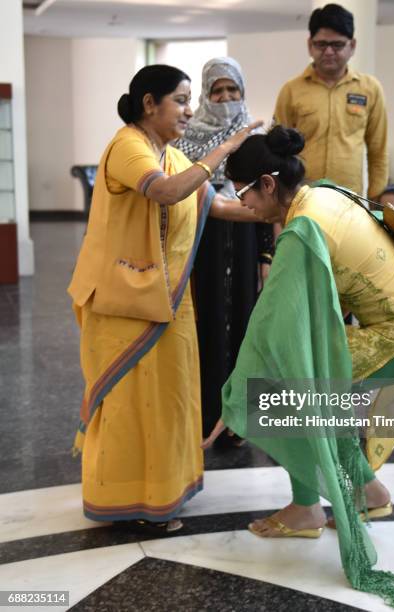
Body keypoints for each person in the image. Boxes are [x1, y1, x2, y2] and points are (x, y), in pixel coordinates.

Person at [202, 126, 394, 610]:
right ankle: (365, 492)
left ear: (268, 184)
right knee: (307, 384)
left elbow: (270, 322)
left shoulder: (302, 228)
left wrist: (233, 395)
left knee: (286, 389)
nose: (242, 203)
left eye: (244, 191)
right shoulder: (323, 193)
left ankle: (307, 509)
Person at [67, 65, 264, 534]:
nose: (190, 109)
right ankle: (125, 498)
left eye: (189, 99)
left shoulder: (171, 154)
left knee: (170, 399)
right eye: (181, 99)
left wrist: (287, 208)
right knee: (129, 405)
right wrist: (227, 146)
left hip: (167, 299)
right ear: (149, 104)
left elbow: (212, 206)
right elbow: (167, 191)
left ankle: (162, 494)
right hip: (121, 302)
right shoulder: (127, 147)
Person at [175, 57, 274, 442]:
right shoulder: (185, 139)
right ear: (205, 94)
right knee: (208, 324)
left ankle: (239, 419)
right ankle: (207, 412)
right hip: (205, 242)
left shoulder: (254, 139)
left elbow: (267, 198)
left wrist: (265, 255)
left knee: (245, 327)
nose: (226, 97)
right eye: (218, 90)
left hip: (246, 239)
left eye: (233, 90)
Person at [273, 3, 388, 198]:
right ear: (310, 45)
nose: (328, 52)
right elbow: (278, 153)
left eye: (337, 45)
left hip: (351, 201)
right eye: (321, 44)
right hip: (303, 198)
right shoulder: (291, 91)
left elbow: (378, 153)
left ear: (352, 46)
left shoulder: (370, 89)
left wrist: (377, 206)